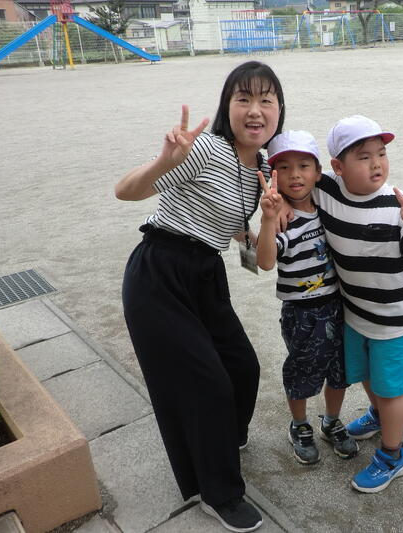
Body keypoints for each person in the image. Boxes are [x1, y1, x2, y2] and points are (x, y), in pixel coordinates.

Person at [115, 60, 285, 533]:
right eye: (243, 99)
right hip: (160, 271)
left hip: (207, 273)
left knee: (242, 367)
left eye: (266, 100)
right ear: (227, 107)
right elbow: (124, 191)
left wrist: (270, 219)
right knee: (206, 384)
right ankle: (218, 492)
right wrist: (164, 162)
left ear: (279, 110)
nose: (255, 110)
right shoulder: (206, 149)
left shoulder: (263, 168)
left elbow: (250, 248)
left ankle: (220, 440)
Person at [313, 115, 403, 493]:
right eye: (364, 156)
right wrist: (285, 205)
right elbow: (296, 179)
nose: (377, 163)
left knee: (391, 390)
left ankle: (393, 455)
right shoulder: (326, 188)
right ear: (337, 167)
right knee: (368, 375)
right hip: (356, 312)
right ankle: (379, 416)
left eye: (381, 154)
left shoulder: (395, 204)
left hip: (395, 319)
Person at [255, 130, 358, 465]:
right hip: (301, 312)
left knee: (340, 371)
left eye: (303, 166)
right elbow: (265, 261)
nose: (295, 175)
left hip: (337, 305)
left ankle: (331, 420)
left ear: (318, 173)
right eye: (284, 168)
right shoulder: (282, 219)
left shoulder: (327, 208)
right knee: (302, 371)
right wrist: (267, 219)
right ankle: (299, 424)